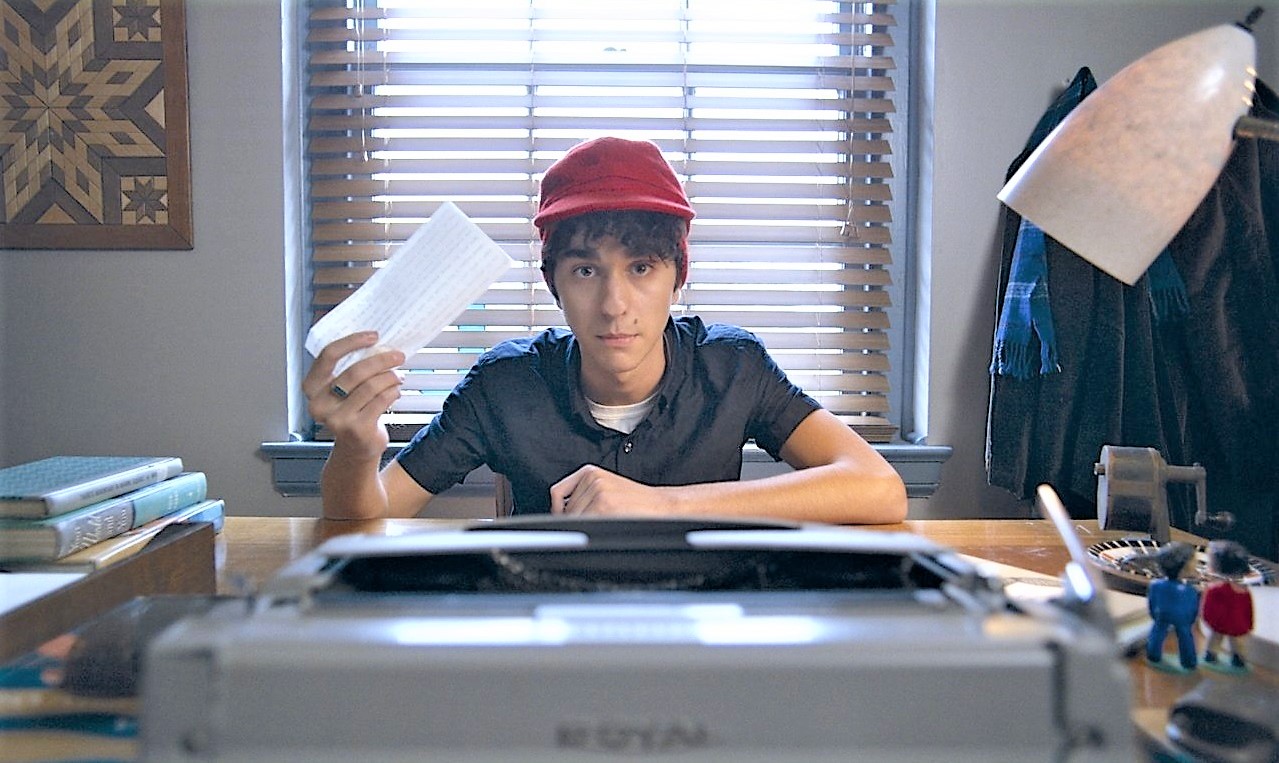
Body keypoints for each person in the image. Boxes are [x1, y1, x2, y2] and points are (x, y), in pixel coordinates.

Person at [303, 136, 908, 523]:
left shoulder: (732, 367)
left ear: (677, 278)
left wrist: (662, 505)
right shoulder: (505, 384)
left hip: (699, 632)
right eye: (586, 271)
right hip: (550, 636)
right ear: (554, 283)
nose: (615, 306)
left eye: (641, 268)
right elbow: (364, 520)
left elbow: (879, 488)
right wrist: (356, 447)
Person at [1145, 542, 1200, 671]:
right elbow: (1193, 608)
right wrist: (1190, 620)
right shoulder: (1190, 590)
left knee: (1157, 633)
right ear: (1184, 566)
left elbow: (1152, 602)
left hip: (1161, 614)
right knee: (1185, 637)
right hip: (1183, 619)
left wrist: (1154, 614)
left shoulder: (1156, 584)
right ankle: (1189, 661)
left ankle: (1153, 655)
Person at [1200, 540, 1254, 670]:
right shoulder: (1243, 590)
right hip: (1237, 624)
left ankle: (1211, 655)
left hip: (1219, 623)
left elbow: (1208, 608)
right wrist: (1248, 623)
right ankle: (1238, 658)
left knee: (1215, 639)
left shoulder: (1215, 589)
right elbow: (1248, 609)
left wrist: (1207, 619)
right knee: (1236, 643)